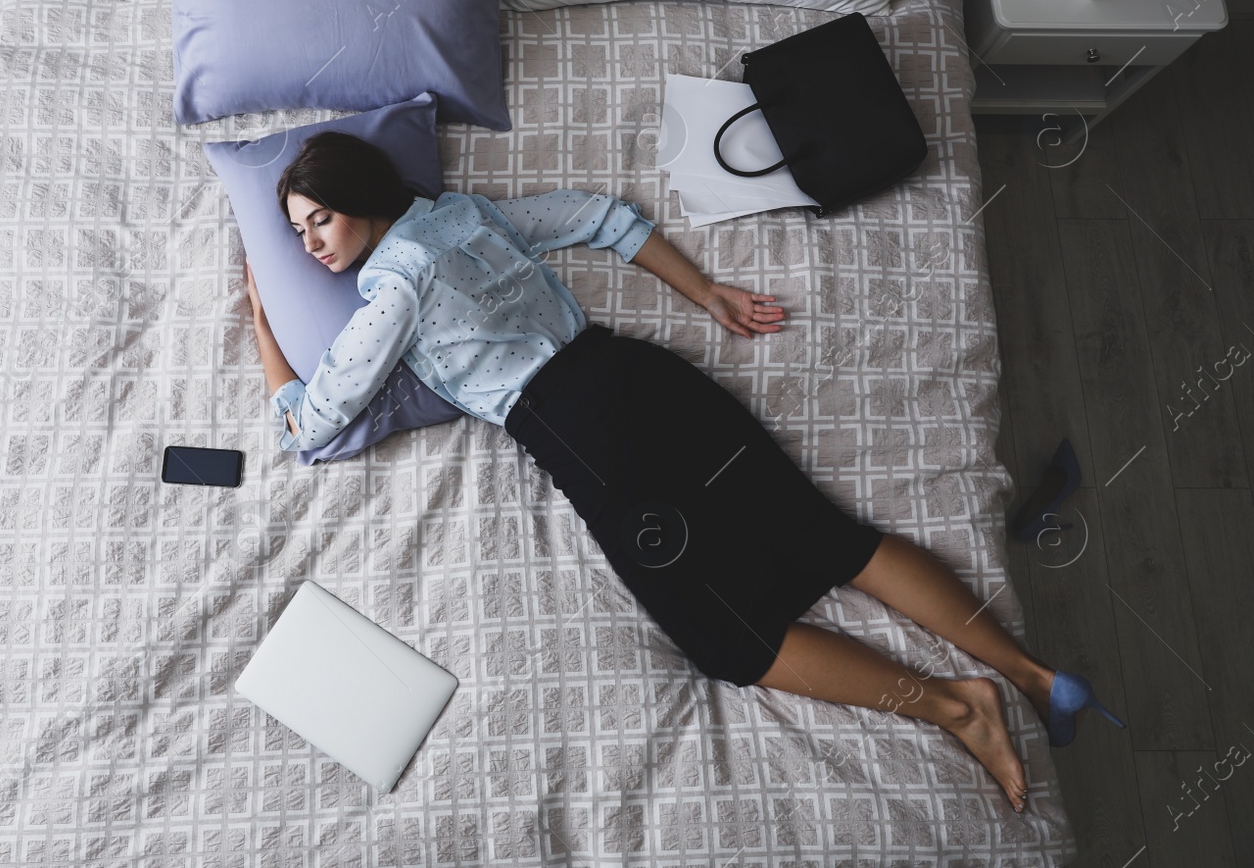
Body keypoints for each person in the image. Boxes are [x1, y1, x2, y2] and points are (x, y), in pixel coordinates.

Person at [242, 130, 1125, 814]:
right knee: (832, 541)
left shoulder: (392, 286)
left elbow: (315, 418)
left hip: (585, 437)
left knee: (730, 640)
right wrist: (703, 292)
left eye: (318, 218)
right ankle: (1034, 672)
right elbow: (600, 214)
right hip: (644, 376)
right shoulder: (466, 215)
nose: (311, 244)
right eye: (295, 232)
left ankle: (958, 706)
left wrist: (265, 333)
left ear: (361, 197)